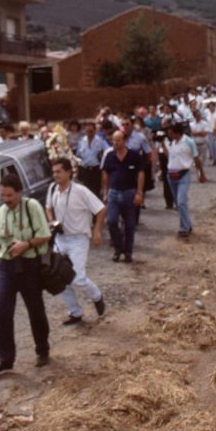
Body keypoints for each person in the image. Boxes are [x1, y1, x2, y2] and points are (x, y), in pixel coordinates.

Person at [0, 173, 52, 373]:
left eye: (10, 196)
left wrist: (26, 244)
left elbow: (45, 235)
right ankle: (6, 359)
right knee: (2, 311)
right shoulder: (0, 212)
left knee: (35, 309)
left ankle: (42, 350)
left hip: (29, 265)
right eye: (3, 196)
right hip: (7, 266)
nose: (6, 200)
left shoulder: (31, 207)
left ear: (19, 193)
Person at [46, 158, 107, 325]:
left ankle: (97, 296)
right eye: (54, 172)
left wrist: (97, 231)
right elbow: (48, 208)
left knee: (77, 278)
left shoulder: (81, 191)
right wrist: (52, 221)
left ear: (68, 172)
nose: (55, 175)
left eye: (59, 171)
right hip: (60, 238)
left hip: (78, 239)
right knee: (59, 277)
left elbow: (101, 209)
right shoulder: (52, 189)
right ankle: (75, 312)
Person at [100, 131, 145, 263]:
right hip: (114, 193)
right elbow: (105, 174)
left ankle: (128, 252)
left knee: (130, 225)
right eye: (113, 140)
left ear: (125, 141)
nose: (115, 143)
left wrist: (139, 193)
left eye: (118, 140)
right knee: (111, 221)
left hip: (129, 193)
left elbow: (141, 173)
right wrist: (105, 191)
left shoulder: (134, 156)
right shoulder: (109, 156)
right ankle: (118, 247)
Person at [166, 123, 207, 238]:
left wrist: (201, 174)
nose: (169, 134)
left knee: (181, 201)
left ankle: (184, 228)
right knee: (178, 204)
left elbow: (196, 158)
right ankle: (187, 224)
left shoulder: (188, 142)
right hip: (171, 174)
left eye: (171, 132)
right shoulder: (172, 142)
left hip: (183, 174)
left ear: (177, 133)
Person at [75, 120, 109, 198]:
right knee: (86, 194)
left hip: (96, 171)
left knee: (97, 194)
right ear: (85, 130)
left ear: (95, 130)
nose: (89, 132)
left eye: (91, 130)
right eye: (87, 130)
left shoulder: (100, 141)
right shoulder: (81, 141)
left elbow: (108, 152)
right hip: (85, 171)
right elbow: (78, 156)